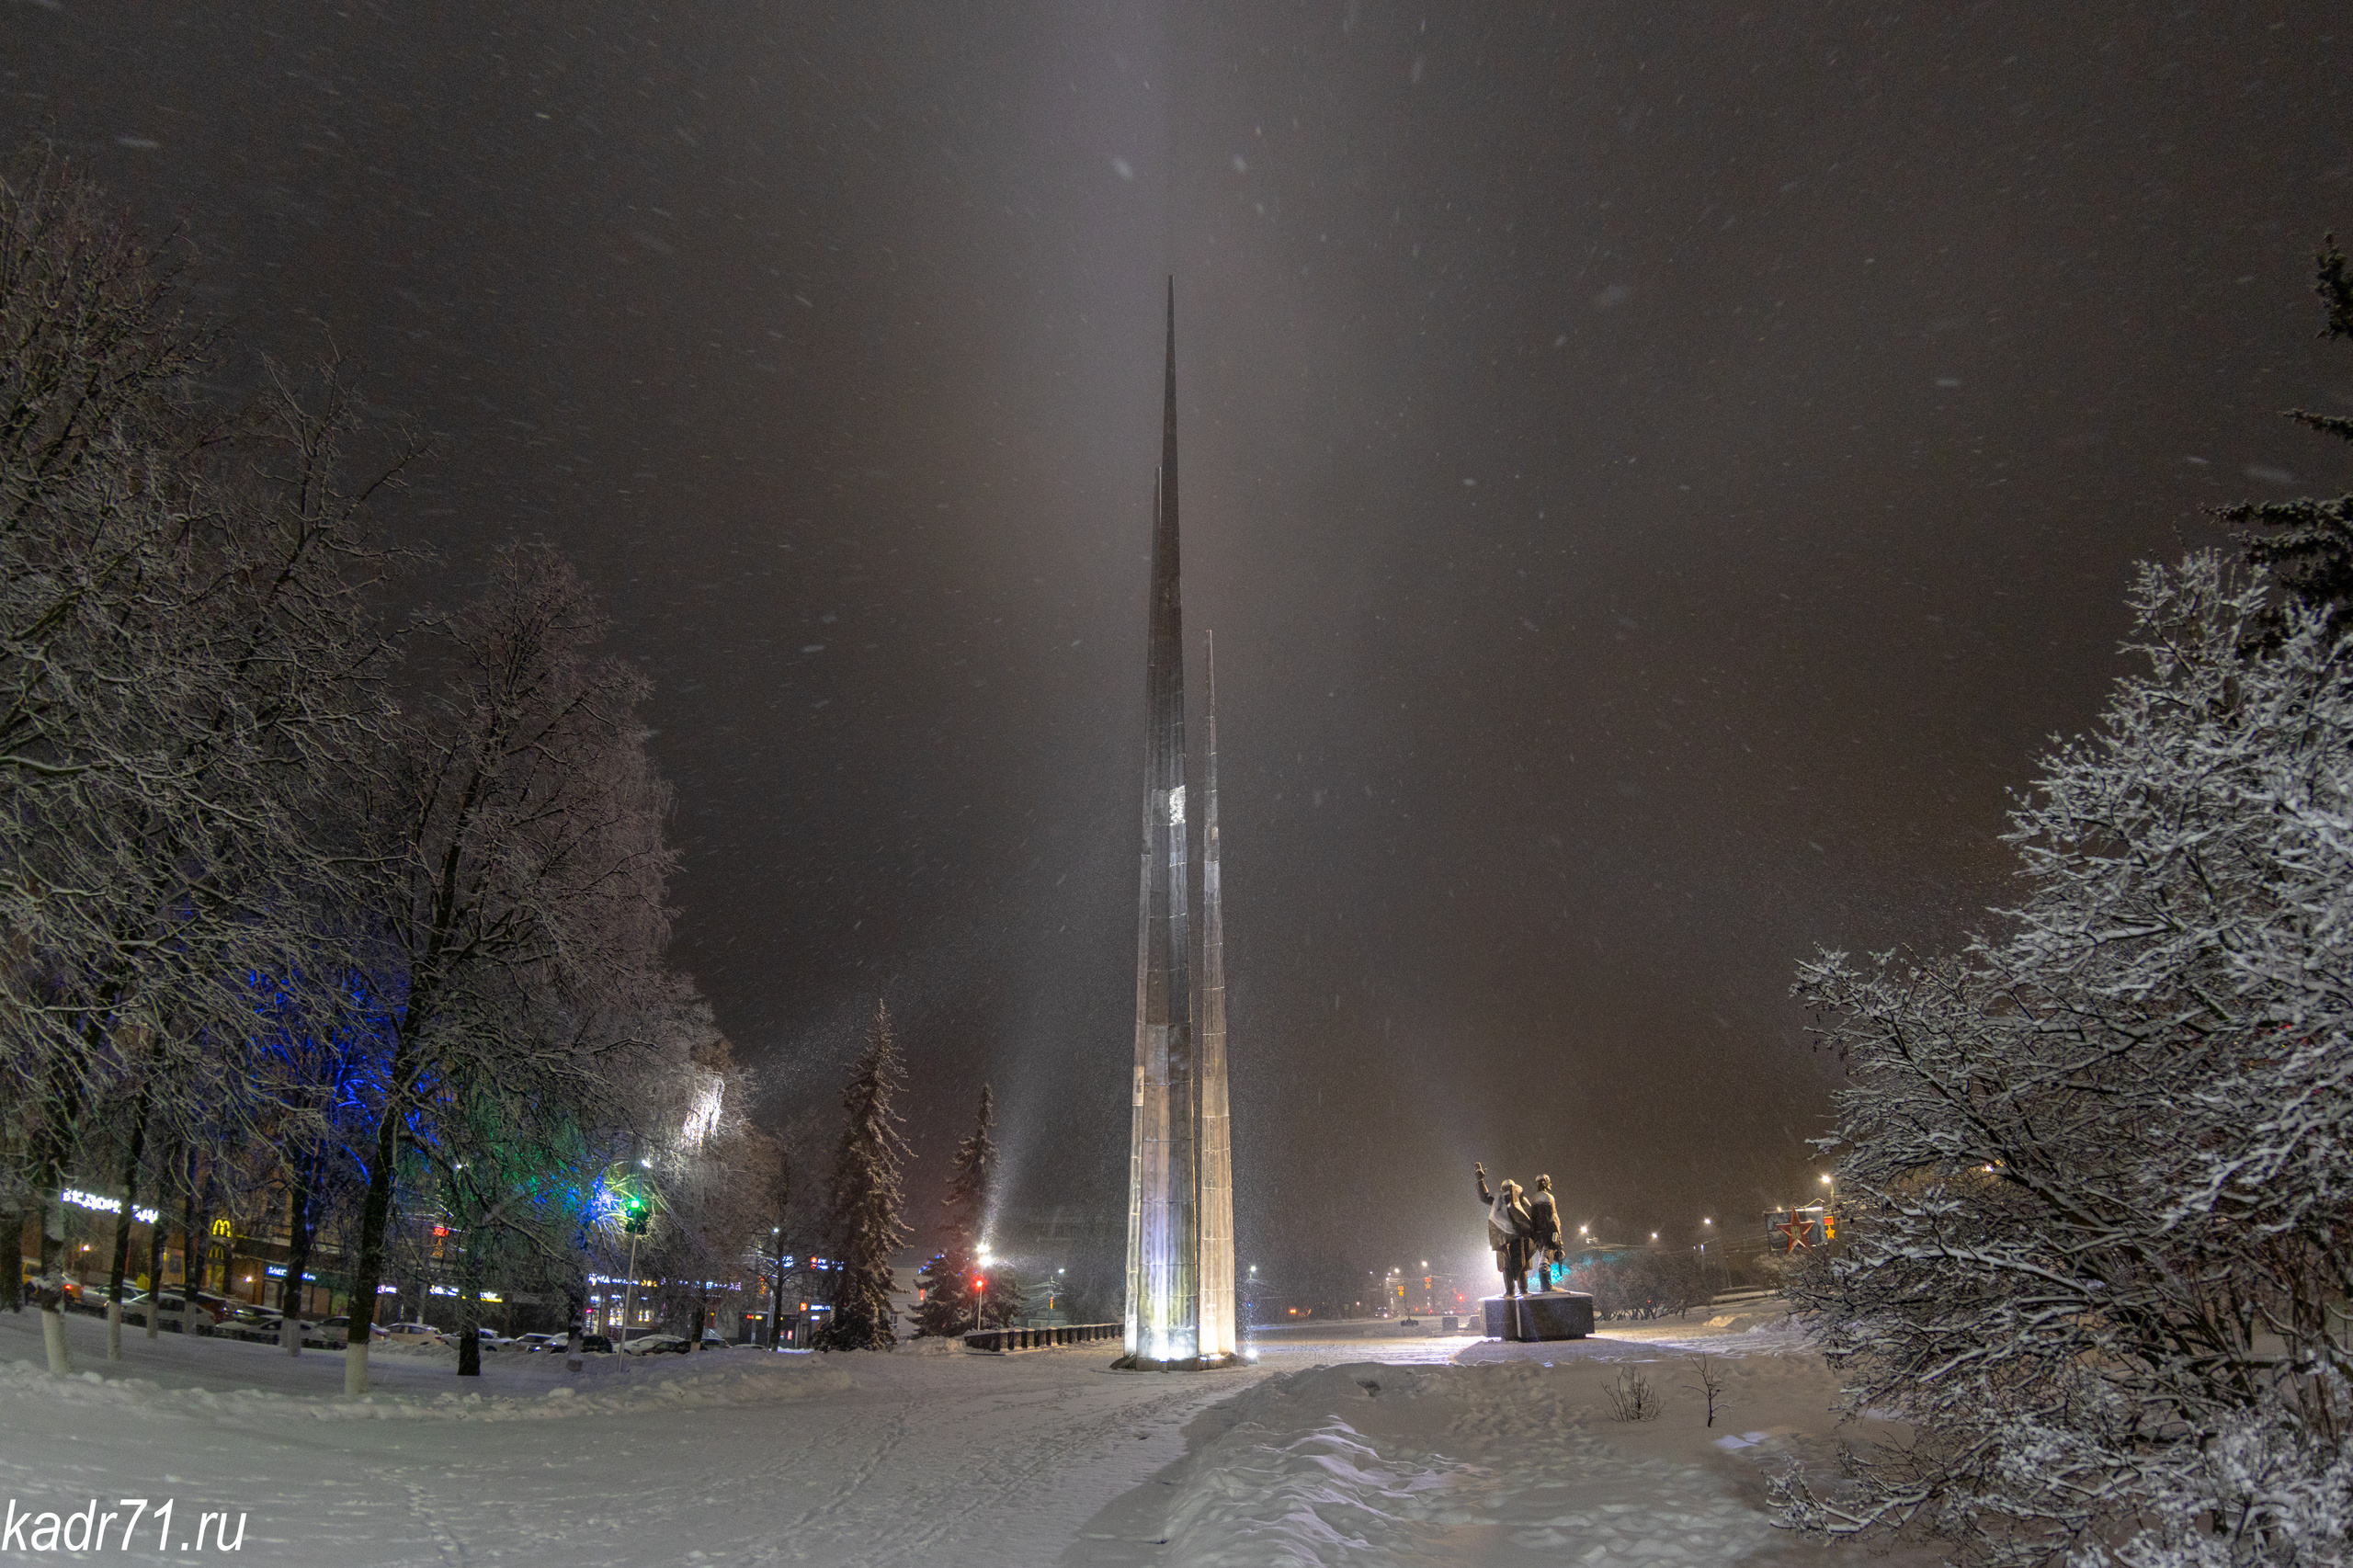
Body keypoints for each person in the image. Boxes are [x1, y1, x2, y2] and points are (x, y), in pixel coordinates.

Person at [1474, 1163, 1536, 1296]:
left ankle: (1523, 1290)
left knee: (1521, 1265)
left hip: (1519, 1240)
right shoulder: (1499, 1202)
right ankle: (1510, 1291)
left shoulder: (1522, 1201)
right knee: (1508, 1267)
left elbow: (1529, 1219)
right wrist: (1480, 1181)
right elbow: (1484, 1197)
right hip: (1505, 1240)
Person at [1525, 1175, 1565, 1291]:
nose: (1550, 1184)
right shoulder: (1548, 1197)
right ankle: (1546, 1286)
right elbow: (1553, 1217)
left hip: (1539, 1235)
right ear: (1543, 1183)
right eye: (1548, 1181)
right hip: (1548, 1234)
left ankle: (1546, 1285)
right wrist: (1556, 1233)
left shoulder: (1534, 1198)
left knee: (1543, 1254)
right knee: (1545, 1258)